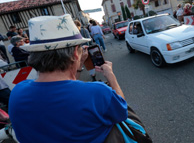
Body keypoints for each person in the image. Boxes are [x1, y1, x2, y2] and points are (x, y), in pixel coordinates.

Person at [9, 14, 127, 143]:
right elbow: (121, 111)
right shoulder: (97, 92)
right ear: (76, 52)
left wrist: (78, 64)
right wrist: (111, 76)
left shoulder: (17, 92)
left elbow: (65, 87)